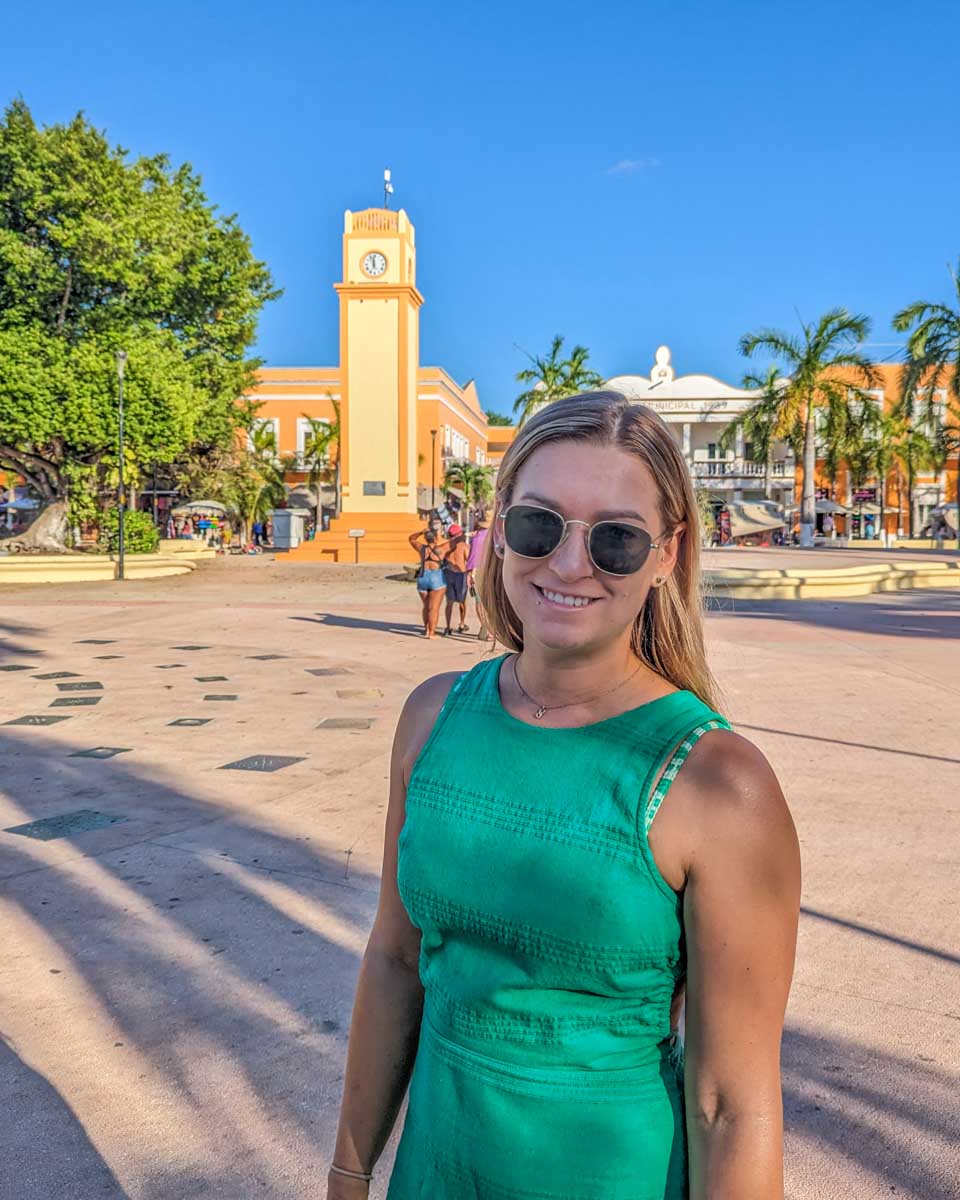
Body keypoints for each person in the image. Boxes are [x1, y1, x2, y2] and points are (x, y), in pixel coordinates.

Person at [328, 391, 800, 1200]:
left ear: (666, 553)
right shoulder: (433, 719)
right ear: (500, 525)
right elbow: (395, 960)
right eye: (540, 524)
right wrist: (347, 1173)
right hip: (435, 1173)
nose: (570, 563)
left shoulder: (719, 783)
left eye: (616, 539)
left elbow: (733, 1105)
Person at [408, 526, 448, 639]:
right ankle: (432, 633)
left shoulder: (421, 549)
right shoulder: (441, 549)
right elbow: (455, 542)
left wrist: (421, 532)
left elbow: (411, 539)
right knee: (434, 608)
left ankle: (426, 630)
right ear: (435, 538)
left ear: (425, 539)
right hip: (436, 577)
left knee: (426, 606)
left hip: (423, 576)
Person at [465, 513, 491, 642]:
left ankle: (485, 627)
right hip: (492, 571)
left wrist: (469, 574)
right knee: (491, 602)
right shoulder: (496, 535)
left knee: (479, 602)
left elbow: (473, 558)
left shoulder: (477, 537)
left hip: (478, 571)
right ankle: (489, 629)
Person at [440, 524, 470, 635]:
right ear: (459, 534)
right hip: (460, 575)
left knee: (449, 602)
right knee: (462, 602)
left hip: (448, 574)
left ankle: (448, 627)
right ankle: (462, 624)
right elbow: (469, 560)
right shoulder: (463, 546)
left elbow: (439, 557)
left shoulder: (445, 546)